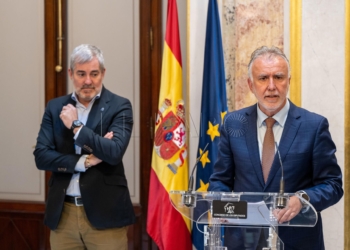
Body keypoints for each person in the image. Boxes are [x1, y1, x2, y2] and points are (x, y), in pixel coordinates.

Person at [208, 46, 343, 249]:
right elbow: (220, 181)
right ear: (250, 84)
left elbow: (332, 184)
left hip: (296, 241)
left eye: (278, 77)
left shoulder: (313, 126)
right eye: (263, 78)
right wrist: (221, 205)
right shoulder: (233, 123)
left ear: (288, 81)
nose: (271, 86)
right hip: (244, 241)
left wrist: (303, 199)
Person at [34, 44, 135, 250]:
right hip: (64, 215)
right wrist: (85, 161)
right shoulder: (55, 107)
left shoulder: (120, 106)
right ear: (71, 74)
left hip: (105, 215)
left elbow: (114, 152)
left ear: (103, 74)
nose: (88, 81)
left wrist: (75, 126)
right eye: (81, 74)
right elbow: (42, 156)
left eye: (94, 74)